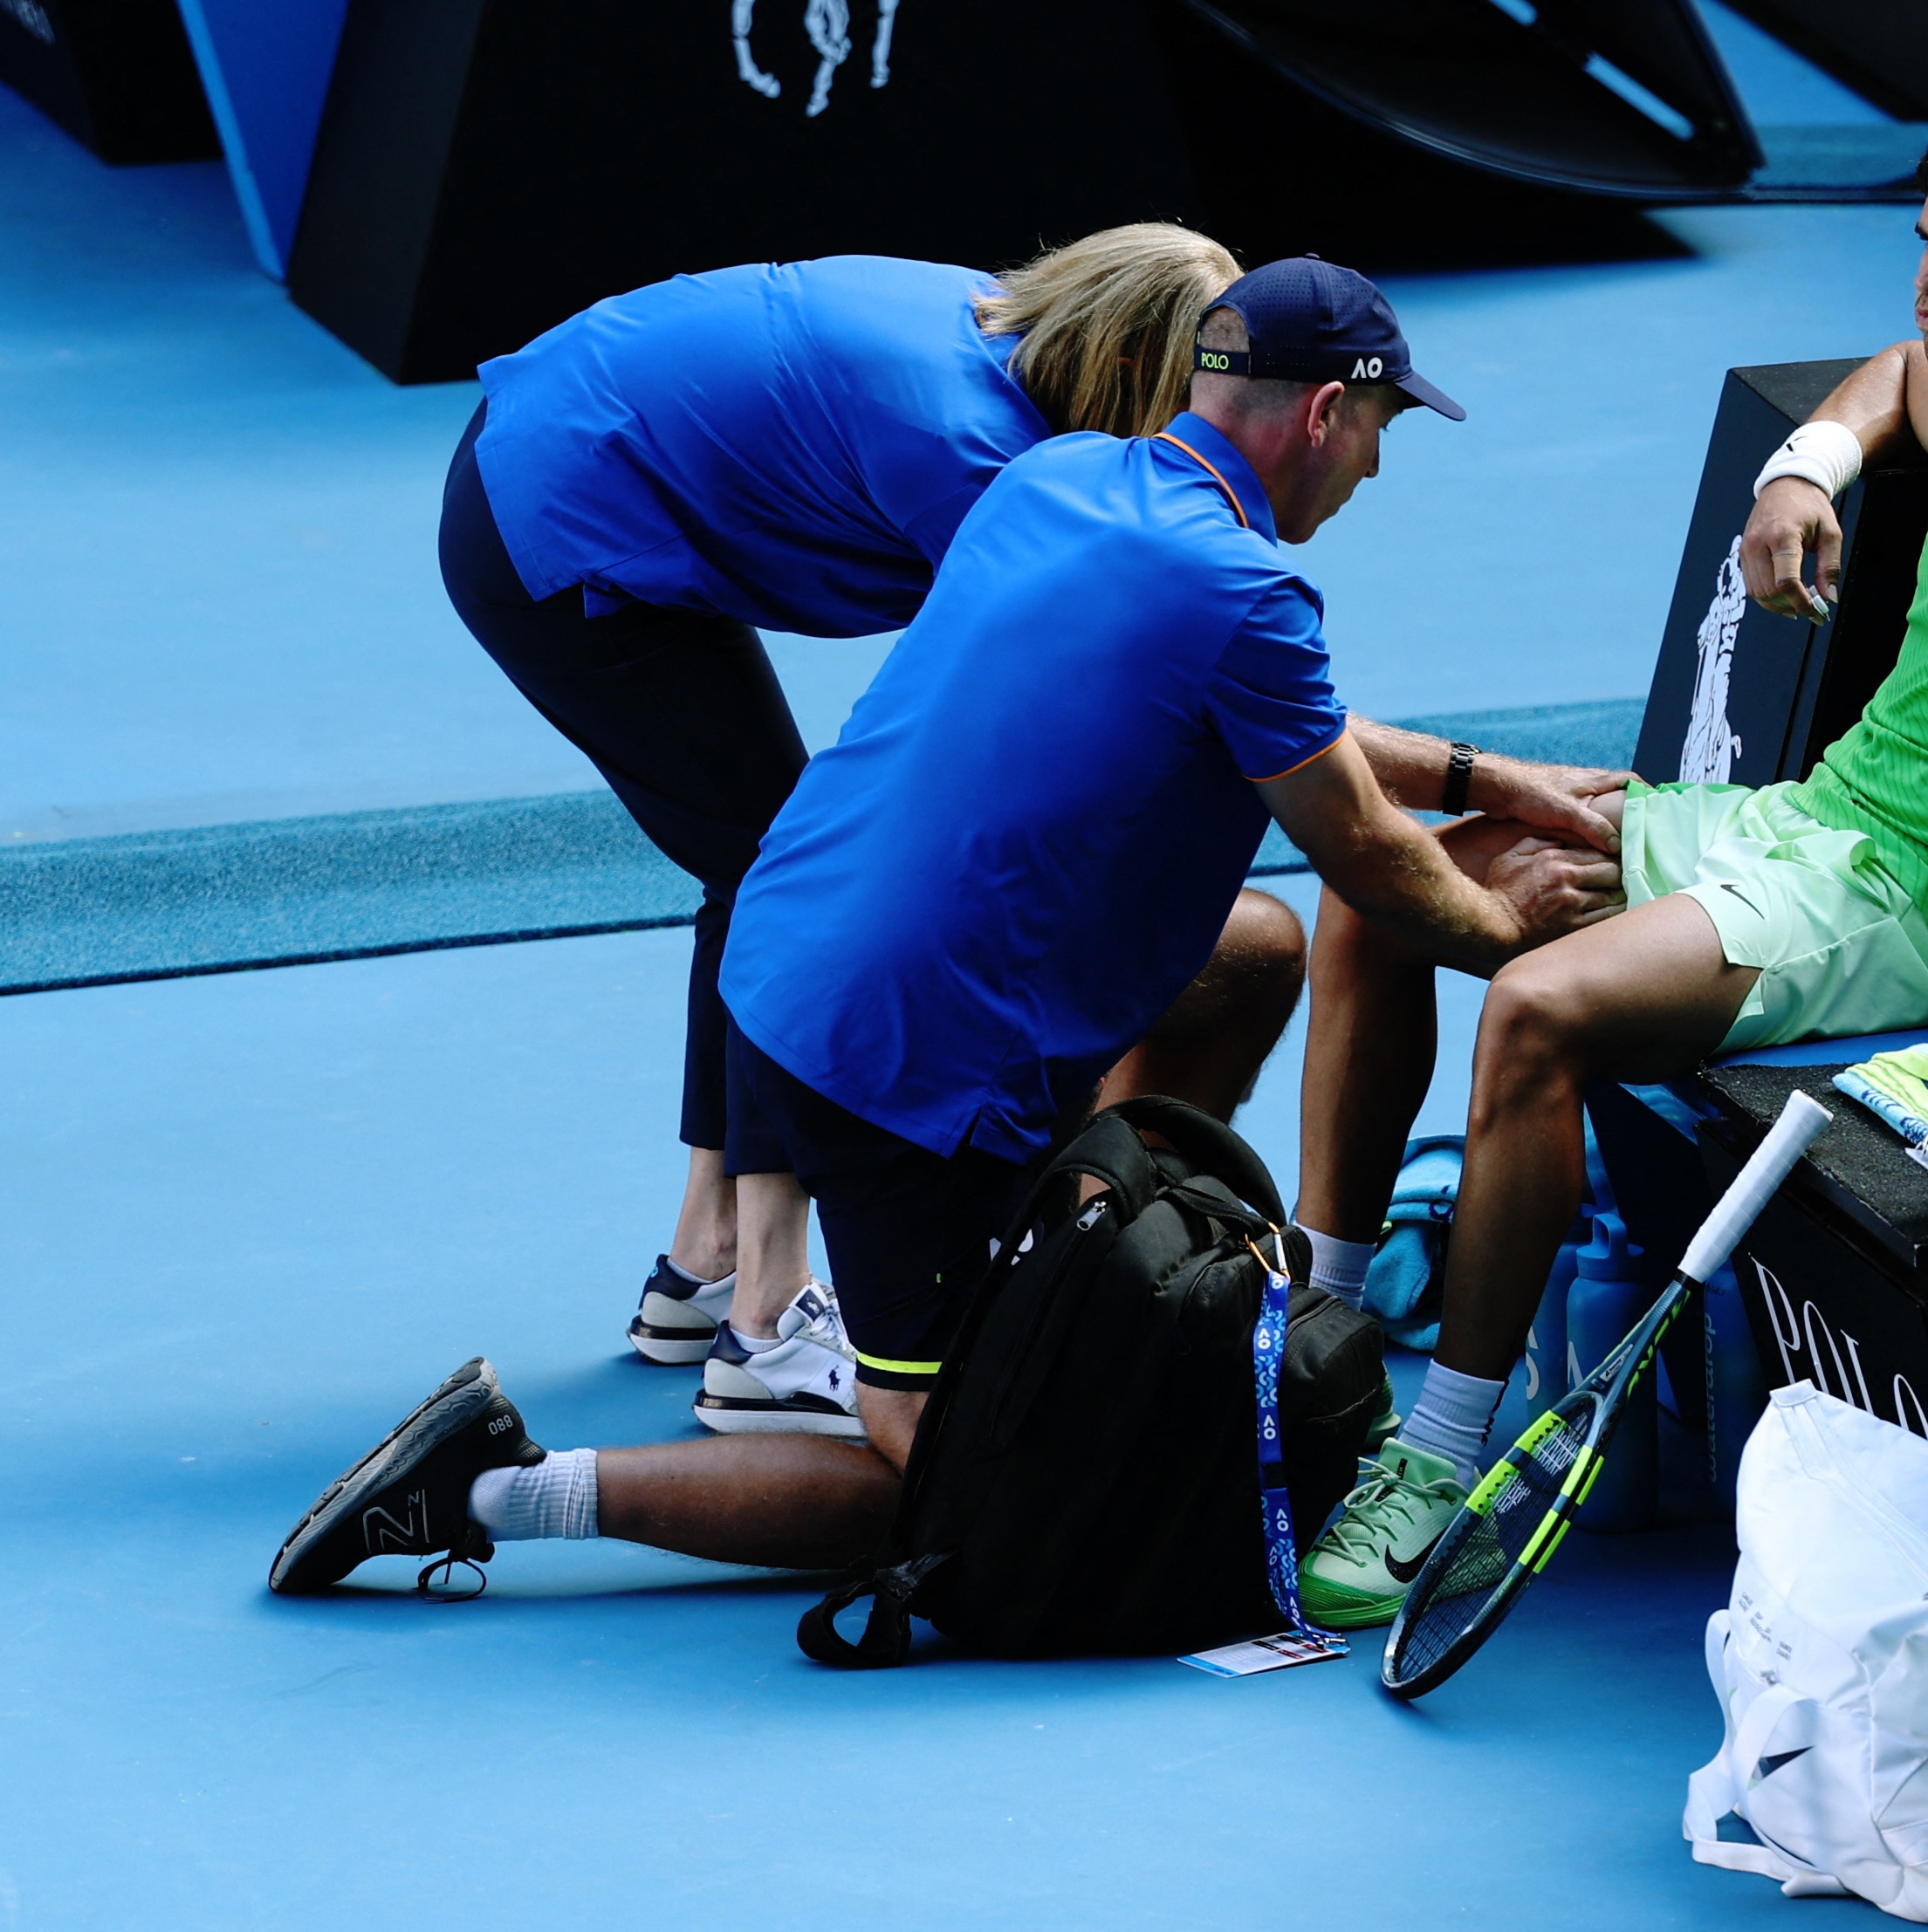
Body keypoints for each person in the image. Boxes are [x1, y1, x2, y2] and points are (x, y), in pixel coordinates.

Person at [270, 257, 1631, 1597]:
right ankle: (495, 1486)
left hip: (803, 962)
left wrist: (1492, 782)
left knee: (1250, 953)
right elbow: (1372, 858)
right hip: (903, 1062)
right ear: (1326, 413)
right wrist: (1530, 948)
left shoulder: (1052, 479)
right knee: (953, 1487)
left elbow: (1287, 740)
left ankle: (1065, 1240)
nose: (1376, 472)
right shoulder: (1241, 595)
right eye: (1382, 433)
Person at [1286, 95, 1928, 1627]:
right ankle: (1321, 1324)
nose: (1927, 283)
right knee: (1374, 889)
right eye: (1921, 242)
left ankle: (1444, 1456)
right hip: (1801, 829)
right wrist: (1802, 467)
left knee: (1536, 1012)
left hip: (1912, 901)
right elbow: (1887, 380)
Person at [440, 223, 1266, 1442]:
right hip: (559, 519)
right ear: (1144, 367)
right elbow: (1046, 692)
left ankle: (704, 1261)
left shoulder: (1003, 331)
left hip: (589, 448)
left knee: (762, 852)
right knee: (781, 874)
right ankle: (768, 1322)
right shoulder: (972, 456)